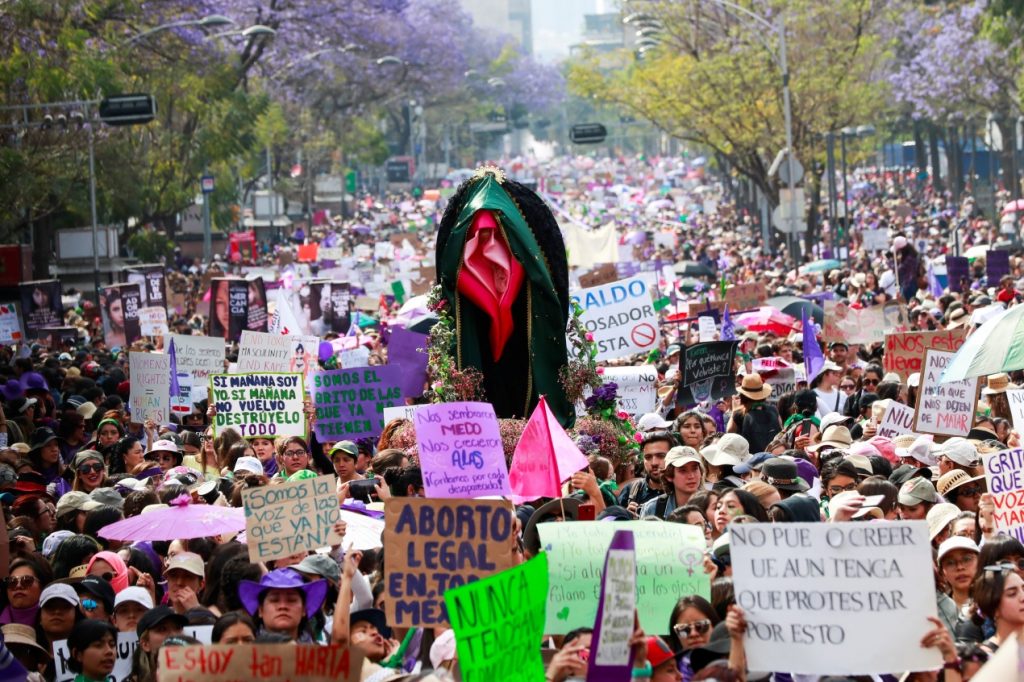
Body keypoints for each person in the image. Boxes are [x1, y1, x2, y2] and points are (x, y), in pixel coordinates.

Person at [238, 568, 327, 643]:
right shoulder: (243, 653)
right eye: (274, 600)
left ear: (304, 610)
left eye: (291, 600)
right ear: (260, 610)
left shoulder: (321, 656)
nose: (283, 606)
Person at [641, 447, 704, 520]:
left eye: (695, 469)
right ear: (669, 475)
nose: (691, 476)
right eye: (683, 470)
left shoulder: (713, 506)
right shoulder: (652, 509)